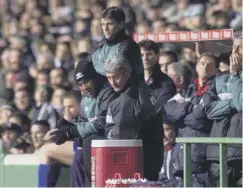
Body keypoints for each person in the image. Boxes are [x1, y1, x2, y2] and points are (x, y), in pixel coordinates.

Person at [164, 53, 219, 187]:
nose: (205, 66)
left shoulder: (217, 88)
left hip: (201, 157)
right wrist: (191, 107)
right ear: (196, 67)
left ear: (217, 69)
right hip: (181, 155)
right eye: (202, 63)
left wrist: (182, 116)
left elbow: (201, 120)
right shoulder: (189, 89)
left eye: (209, 64)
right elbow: (168, 110)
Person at [104, 56, 162, 181]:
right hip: (151, 157)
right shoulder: (142, 88)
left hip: (136, 163)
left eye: (116, 77)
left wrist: (106, 133)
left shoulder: (126, 101)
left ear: (127, 73)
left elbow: (120, 138)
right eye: (109, 78)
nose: (113, 82)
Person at [203, 31, 242, 187]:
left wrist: (235, 76)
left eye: (241, 47)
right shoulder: (219, 79)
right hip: (217, 155)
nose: (236, 52)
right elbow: (209, 110)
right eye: (235, 47)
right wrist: (234, 101)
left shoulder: (231, 75)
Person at [91, 6, 142, 77]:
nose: (105, 29)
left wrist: (96, 68)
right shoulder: (99, 48)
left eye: (110, 24)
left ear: (121, 25)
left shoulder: (129, 46)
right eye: (103, 24)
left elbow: (114, 70)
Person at [139, 40, 176, 107]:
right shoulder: (131, 80)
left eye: (149, 54)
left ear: (157, 56)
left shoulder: (166, 83)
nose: (145, 58)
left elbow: (160, 107)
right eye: (141, 55)